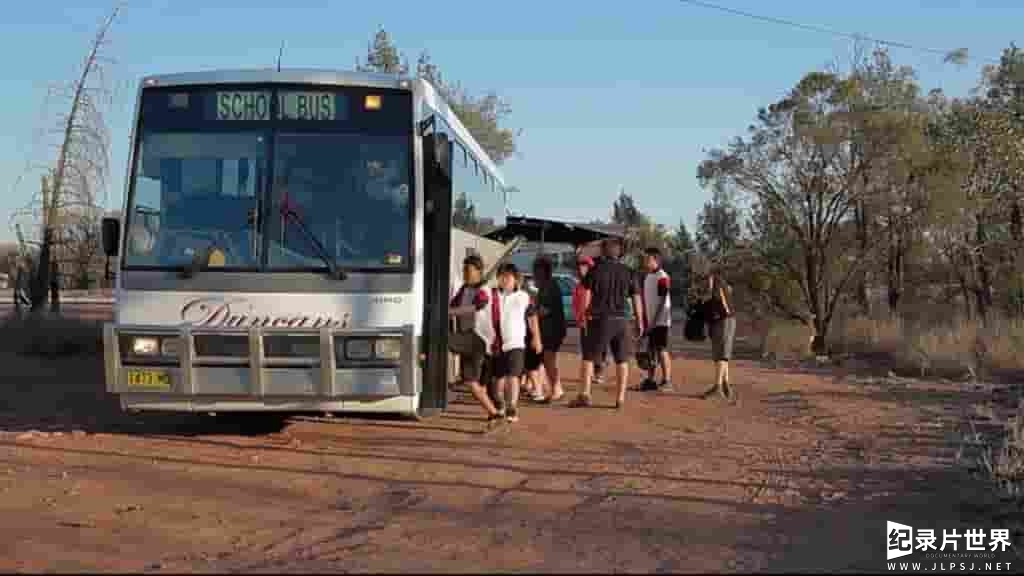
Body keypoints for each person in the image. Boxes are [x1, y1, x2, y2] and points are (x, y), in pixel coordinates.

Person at [572, 238, 643, 410]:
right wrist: (640, 320)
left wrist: (582, 314)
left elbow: (587, 293)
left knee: (588, 358)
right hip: (622, 320)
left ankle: (585, 395)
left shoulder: (595, 270)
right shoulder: (629, 271)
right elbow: (636, 297)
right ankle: (620, 399)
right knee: (622, 360)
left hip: (600, 319)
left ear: (603, 252)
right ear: (619, 252)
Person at [448, 254, 503, 424]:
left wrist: (452, 312)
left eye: (468, 270)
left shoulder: (483, 289)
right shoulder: (464, 289)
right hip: (467, 338)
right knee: (472, 382)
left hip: (478, 339)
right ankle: (495, 412)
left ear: (478, 271)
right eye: (463, 270)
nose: (465, 273)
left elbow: (480, 305)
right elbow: (453, 305)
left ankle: (497, 410)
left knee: (444, 340)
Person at [490, 263, 540, 423]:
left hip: (516, 343)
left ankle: (512, 407)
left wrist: (536, 338)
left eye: (508, 277)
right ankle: (499, 403)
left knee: (513, 376)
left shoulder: (524, 297)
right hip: (496, 344)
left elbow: (532, 318)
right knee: (497, 381)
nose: (504, 280)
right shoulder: (492, 295)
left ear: (516, 279)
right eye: (501, 276)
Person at [532, 255, 567, 402]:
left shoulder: (549, 286)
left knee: (549, 359)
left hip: (552, 329)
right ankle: (554, 388)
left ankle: (556, 389)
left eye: (537, 271)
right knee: (547, 360)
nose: (535, 274)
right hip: (549, 329)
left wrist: (531, 312)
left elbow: (545, 310)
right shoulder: (546, 286)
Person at [639, 247, 673, 391]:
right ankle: (650, 380)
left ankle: (667, 381)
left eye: (648, 259)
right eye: (645, 258)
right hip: (651, 321)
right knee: (650, 351)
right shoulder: (648, 277)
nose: (645, 261)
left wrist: (655, 321)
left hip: (661, 321)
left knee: (661, 350)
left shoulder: (662, 277)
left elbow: (663, 301)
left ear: (656, 260)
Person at [703, 268, 737, 403]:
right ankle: (725, 384)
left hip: (725, 320)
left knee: (721, 353)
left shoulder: (717, 282)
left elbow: (720, 302)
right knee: (721, 353)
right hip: (725, 320)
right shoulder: (722, 284)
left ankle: (718, 387)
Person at [572, 255, 607, 384]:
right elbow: (575, 302)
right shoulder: (579, 285)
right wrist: (579, 317)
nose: (582, 268)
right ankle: (590, 373)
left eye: (585, 265)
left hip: (597, 320)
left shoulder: (598, 282)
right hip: (583, 321)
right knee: (586, 348)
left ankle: (599, 372)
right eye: (581, 266)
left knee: (598, 348)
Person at [522, 280, 547, 402]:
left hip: (531, 338)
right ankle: (537, 388)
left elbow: (532, 322)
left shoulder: (530, 306)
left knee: (531, 366)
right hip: (537, 338)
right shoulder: (538, 305)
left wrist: (535, 338)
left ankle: (538, 390)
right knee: (538, 364)